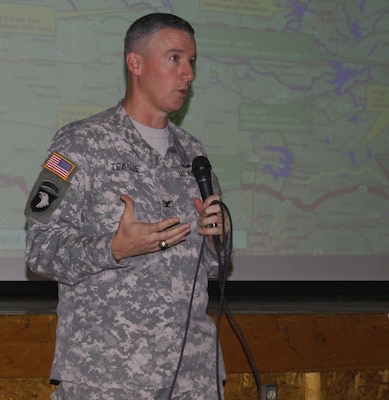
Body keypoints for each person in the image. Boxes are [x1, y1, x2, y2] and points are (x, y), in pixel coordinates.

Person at [24, 12, 231, 400]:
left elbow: (214, 266)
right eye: (174, 58)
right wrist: (114, 248)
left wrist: (219, 241)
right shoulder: (75, 144)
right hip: (109, 375)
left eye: (192, 62)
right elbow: (39, 248)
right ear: (135, 63)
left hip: (193, 376)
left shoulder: (194, 154)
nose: (188, 74)